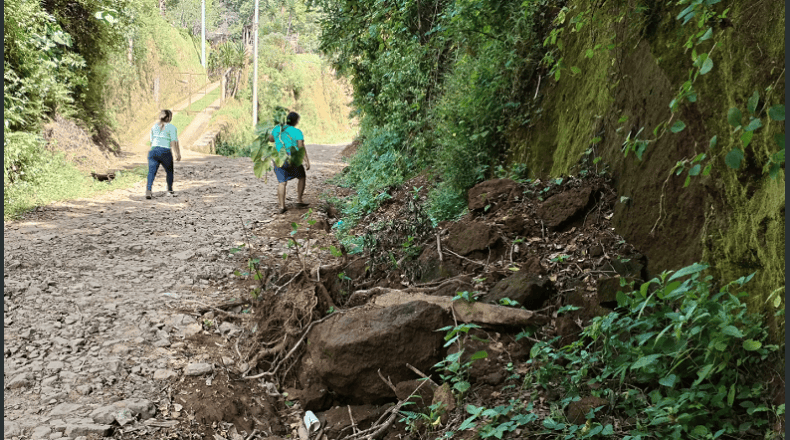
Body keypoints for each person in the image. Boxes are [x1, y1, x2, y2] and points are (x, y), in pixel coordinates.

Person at [268, 111, 311, 214]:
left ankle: (282, 206)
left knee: (282, 182)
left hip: (279, 158)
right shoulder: (297, 132)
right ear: (296, 121)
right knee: (301, 176)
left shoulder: (278, 128)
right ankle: (299, 200)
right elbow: (301, 147)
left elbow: (270, 139)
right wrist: (306, 161)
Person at [146, 109, 181, 199]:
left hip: (153, 151)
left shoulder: (154, 127)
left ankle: (148, 191)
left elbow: (151, 141)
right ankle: (169, 190)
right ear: (168, 118)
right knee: (169, 171)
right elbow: (174, 141)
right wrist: (177, 153)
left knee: (151, 172)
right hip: (165, 151)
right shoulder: (172, 127)